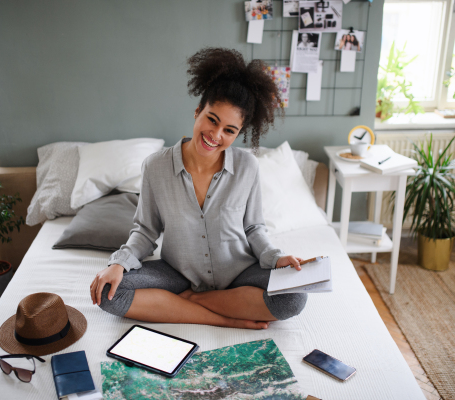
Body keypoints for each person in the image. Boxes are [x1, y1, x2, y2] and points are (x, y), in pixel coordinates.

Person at [90, 48, 308, 330]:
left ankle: (187, 301)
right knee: (108, 293)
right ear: (198, 111)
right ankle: (220, 316)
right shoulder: (156, 167)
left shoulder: (247, 166)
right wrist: (118, 263)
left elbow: (254, 228)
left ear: (238, 133)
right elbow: (145, 230)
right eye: (212, 120)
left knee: (294, 297)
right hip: (177, 273)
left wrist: (276, 258)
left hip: (239, 272)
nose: (216, 136)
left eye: (229, 130)